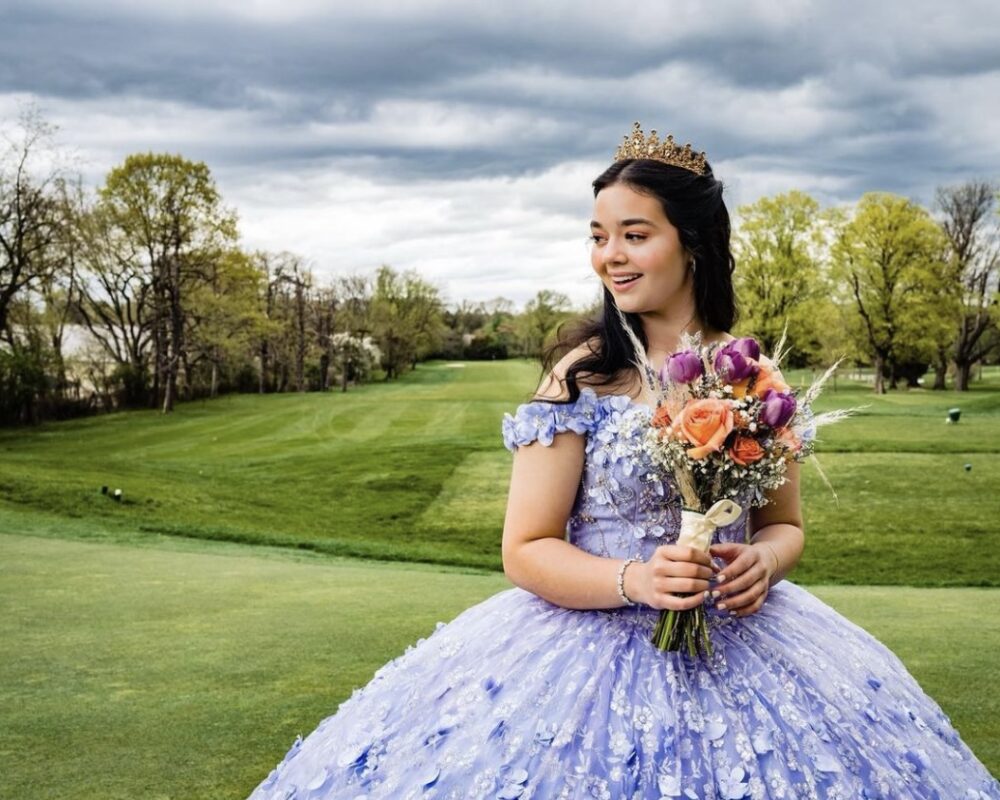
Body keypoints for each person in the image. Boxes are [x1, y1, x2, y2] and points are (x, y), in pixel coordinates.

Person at [246, 125, 1000, 799]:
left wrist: (763, 564)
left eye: (634, 235)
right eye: (598, 235)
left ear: (693, 242)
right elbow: (525, 547)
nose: (610, 255)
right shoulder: (583, 373)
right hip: (582, 647)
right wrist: (634, 580)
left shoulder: (752, 378)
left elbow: (786, 527)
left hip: (750, 644)